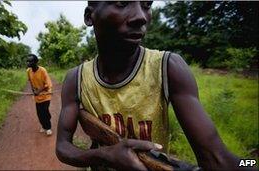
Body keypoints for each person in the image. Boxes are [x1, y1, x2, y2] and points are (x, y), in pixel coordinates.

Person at [56, 1, 244, 170]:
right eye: (122, 3)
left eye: (146, 4)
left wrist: (250, 163)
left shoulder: (168, 67)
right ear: (90, 17)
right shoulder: (77, 78)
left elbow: (217, 160)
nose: (140, 16)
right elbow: (62, 147)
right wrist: (103, 155)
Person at [27, 54, 53, 136]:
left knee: (44, 112)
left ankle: (48, 128)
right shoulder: (28, 71)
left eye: (30, 61)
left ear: (36, 62)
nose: (28, 63)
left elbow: (48, 85)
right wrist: (34, 91)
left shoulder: (42, 70)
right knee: (39, 113)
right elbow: (30, 82)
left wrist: (39, 91)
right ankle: (43, 125)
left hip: (46, 95)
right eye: (27, 61)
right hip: (37, 97)